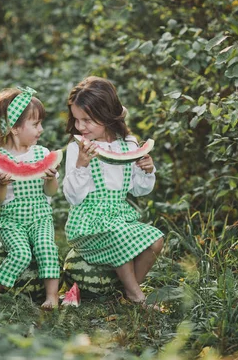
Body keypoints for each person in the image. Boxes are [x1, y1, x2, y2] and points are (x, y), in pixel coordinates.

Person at [62, 76, 164, 308]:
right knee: (119, 235)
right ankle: (136, 297)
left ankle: (123, 293)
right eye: (76, 120)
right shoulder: (75, 149)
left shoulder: (128, 145)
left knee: (156, 241)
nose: (80, 127)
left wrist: (147, 171)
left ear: (107, 116)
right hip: (87, 222)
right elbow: (72, 196)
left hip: (119, 216)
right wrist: (81, 165)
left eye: (87, 120)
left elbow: (139, 190)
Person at [0, 86, 60, 309]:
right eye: (35, 124)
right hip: (12, 220)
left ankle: (52, 296)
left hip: (41, 217)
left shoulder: (43, 154)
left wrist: (51, 179)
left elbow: (51, 192)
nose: (41, 129)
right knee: (21, 254)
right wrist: (0, 184)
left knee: (47, 248)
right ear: (15, 128)